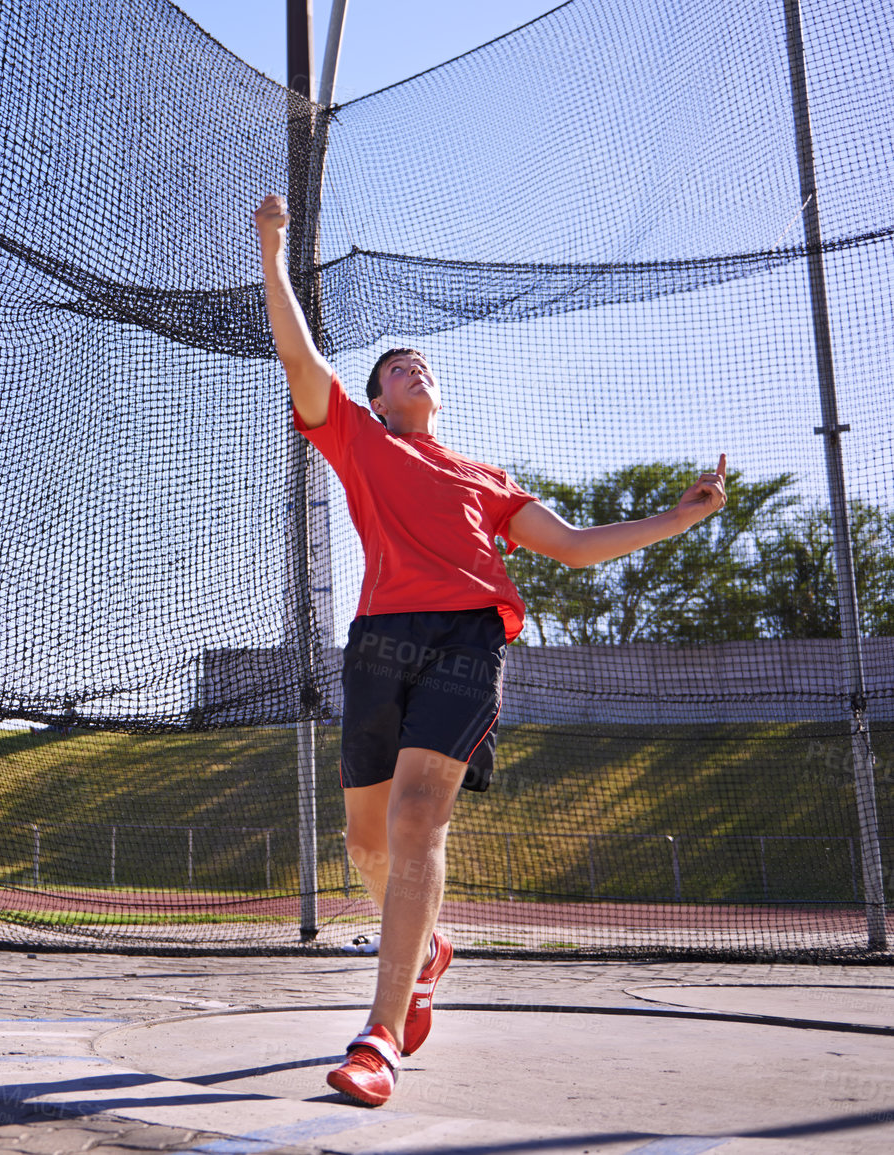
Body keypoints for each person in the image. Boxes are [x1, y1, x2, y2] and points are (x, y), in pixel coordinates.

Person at [251, 194, 727, 1106]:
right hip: (381, 642)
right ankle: (425, 939)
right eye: (395, 368)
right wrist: (273, 251)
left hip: (469, 635)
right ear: (379, 399)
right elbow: (297, 355)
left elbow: (577, 545)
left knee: (420, 813)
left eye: (420, 363)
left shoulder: (487, 479)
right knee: (365, 838)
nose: (412, 369)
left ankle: (378, 1037)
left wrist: (677, 516)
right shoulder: (354, 438)